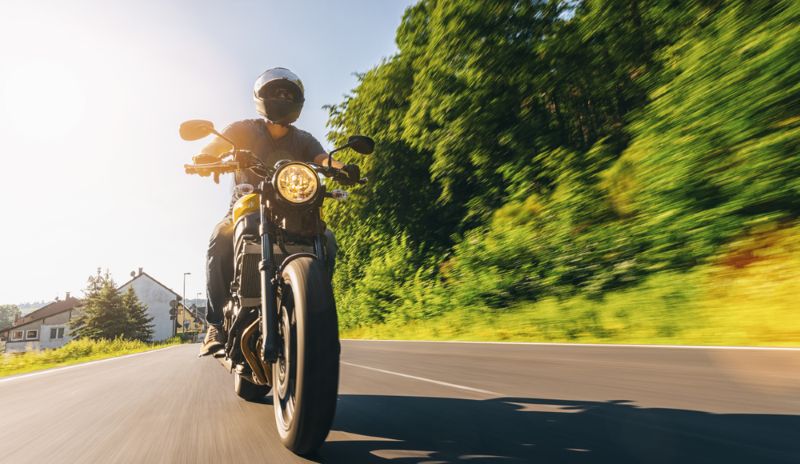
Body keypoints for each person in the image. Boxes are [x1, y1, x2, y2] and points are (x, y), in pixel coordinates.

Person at [196, 67, 359, 356]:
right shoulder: (244, 129)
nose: (282, 98)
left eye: (288, 94)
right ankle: (216, 324)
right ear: (262, 99)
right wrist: (207, 156)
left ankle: (311, 307)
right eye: (276, 93)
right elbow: (219, 143)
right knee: (220, 238)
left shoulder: (304, 139)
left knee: (329, 240)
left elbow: (323, 159)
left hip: (292, 214)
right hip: (245, 209)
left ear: (297, 103)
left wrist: (343, 168)